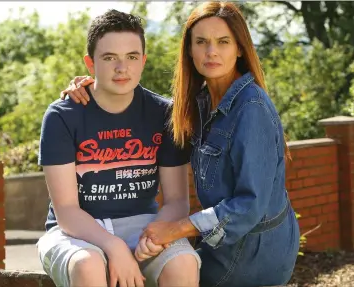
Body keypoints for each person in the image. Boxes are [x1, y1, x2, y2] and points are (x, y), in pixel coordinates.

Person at [62, 2, 301, 287]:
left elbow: (249, 206)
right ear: (189, 49)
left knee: (164, 272)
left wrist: (175, 230)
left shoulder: (251, 108)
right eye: (201, 42)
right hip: (222, 246)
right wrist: (93, 87)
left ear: (239, 48)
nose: (211, 51)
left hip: (253, 255)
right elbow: (145, 106)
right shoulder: (199, 104)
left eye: (223, 42)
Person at [37, 9, 201, 287]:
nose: (122, 68)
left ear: (143, 61)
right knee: (88, 266)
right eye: (109, 57)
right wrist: (114, 247)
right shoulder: (63, 116)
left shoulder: (164, 114)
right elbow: (66, 210)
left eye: (132, 57)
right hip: (77, 231)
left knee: (183, 262)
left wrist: (153, 237)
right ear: (90, 63)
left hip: (144, 225)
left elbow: (177, 202)